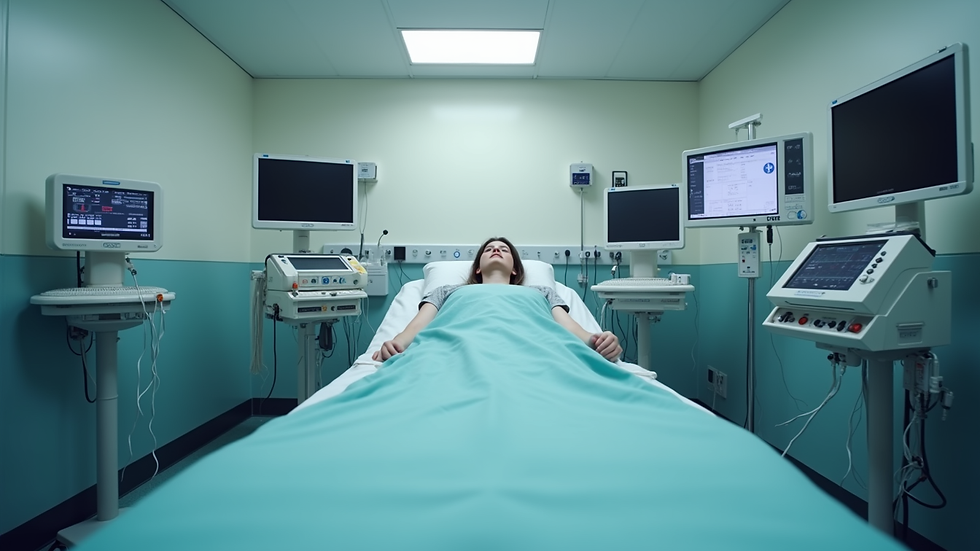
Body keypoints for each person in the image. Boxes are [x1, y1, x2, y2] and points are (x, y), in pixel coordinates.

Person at [372, 236, 623, 363]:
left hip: (534, 356)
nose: (496, 250)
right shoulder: (447, 291)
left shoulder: (541, 292)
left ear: (515, 269)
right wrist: (394, 345)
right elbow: (416, 328)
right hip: (456, 354)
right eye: (489, 249)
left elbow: (573, 330)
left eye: (504, 250)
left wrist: (599, 342)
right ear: (478, 268)